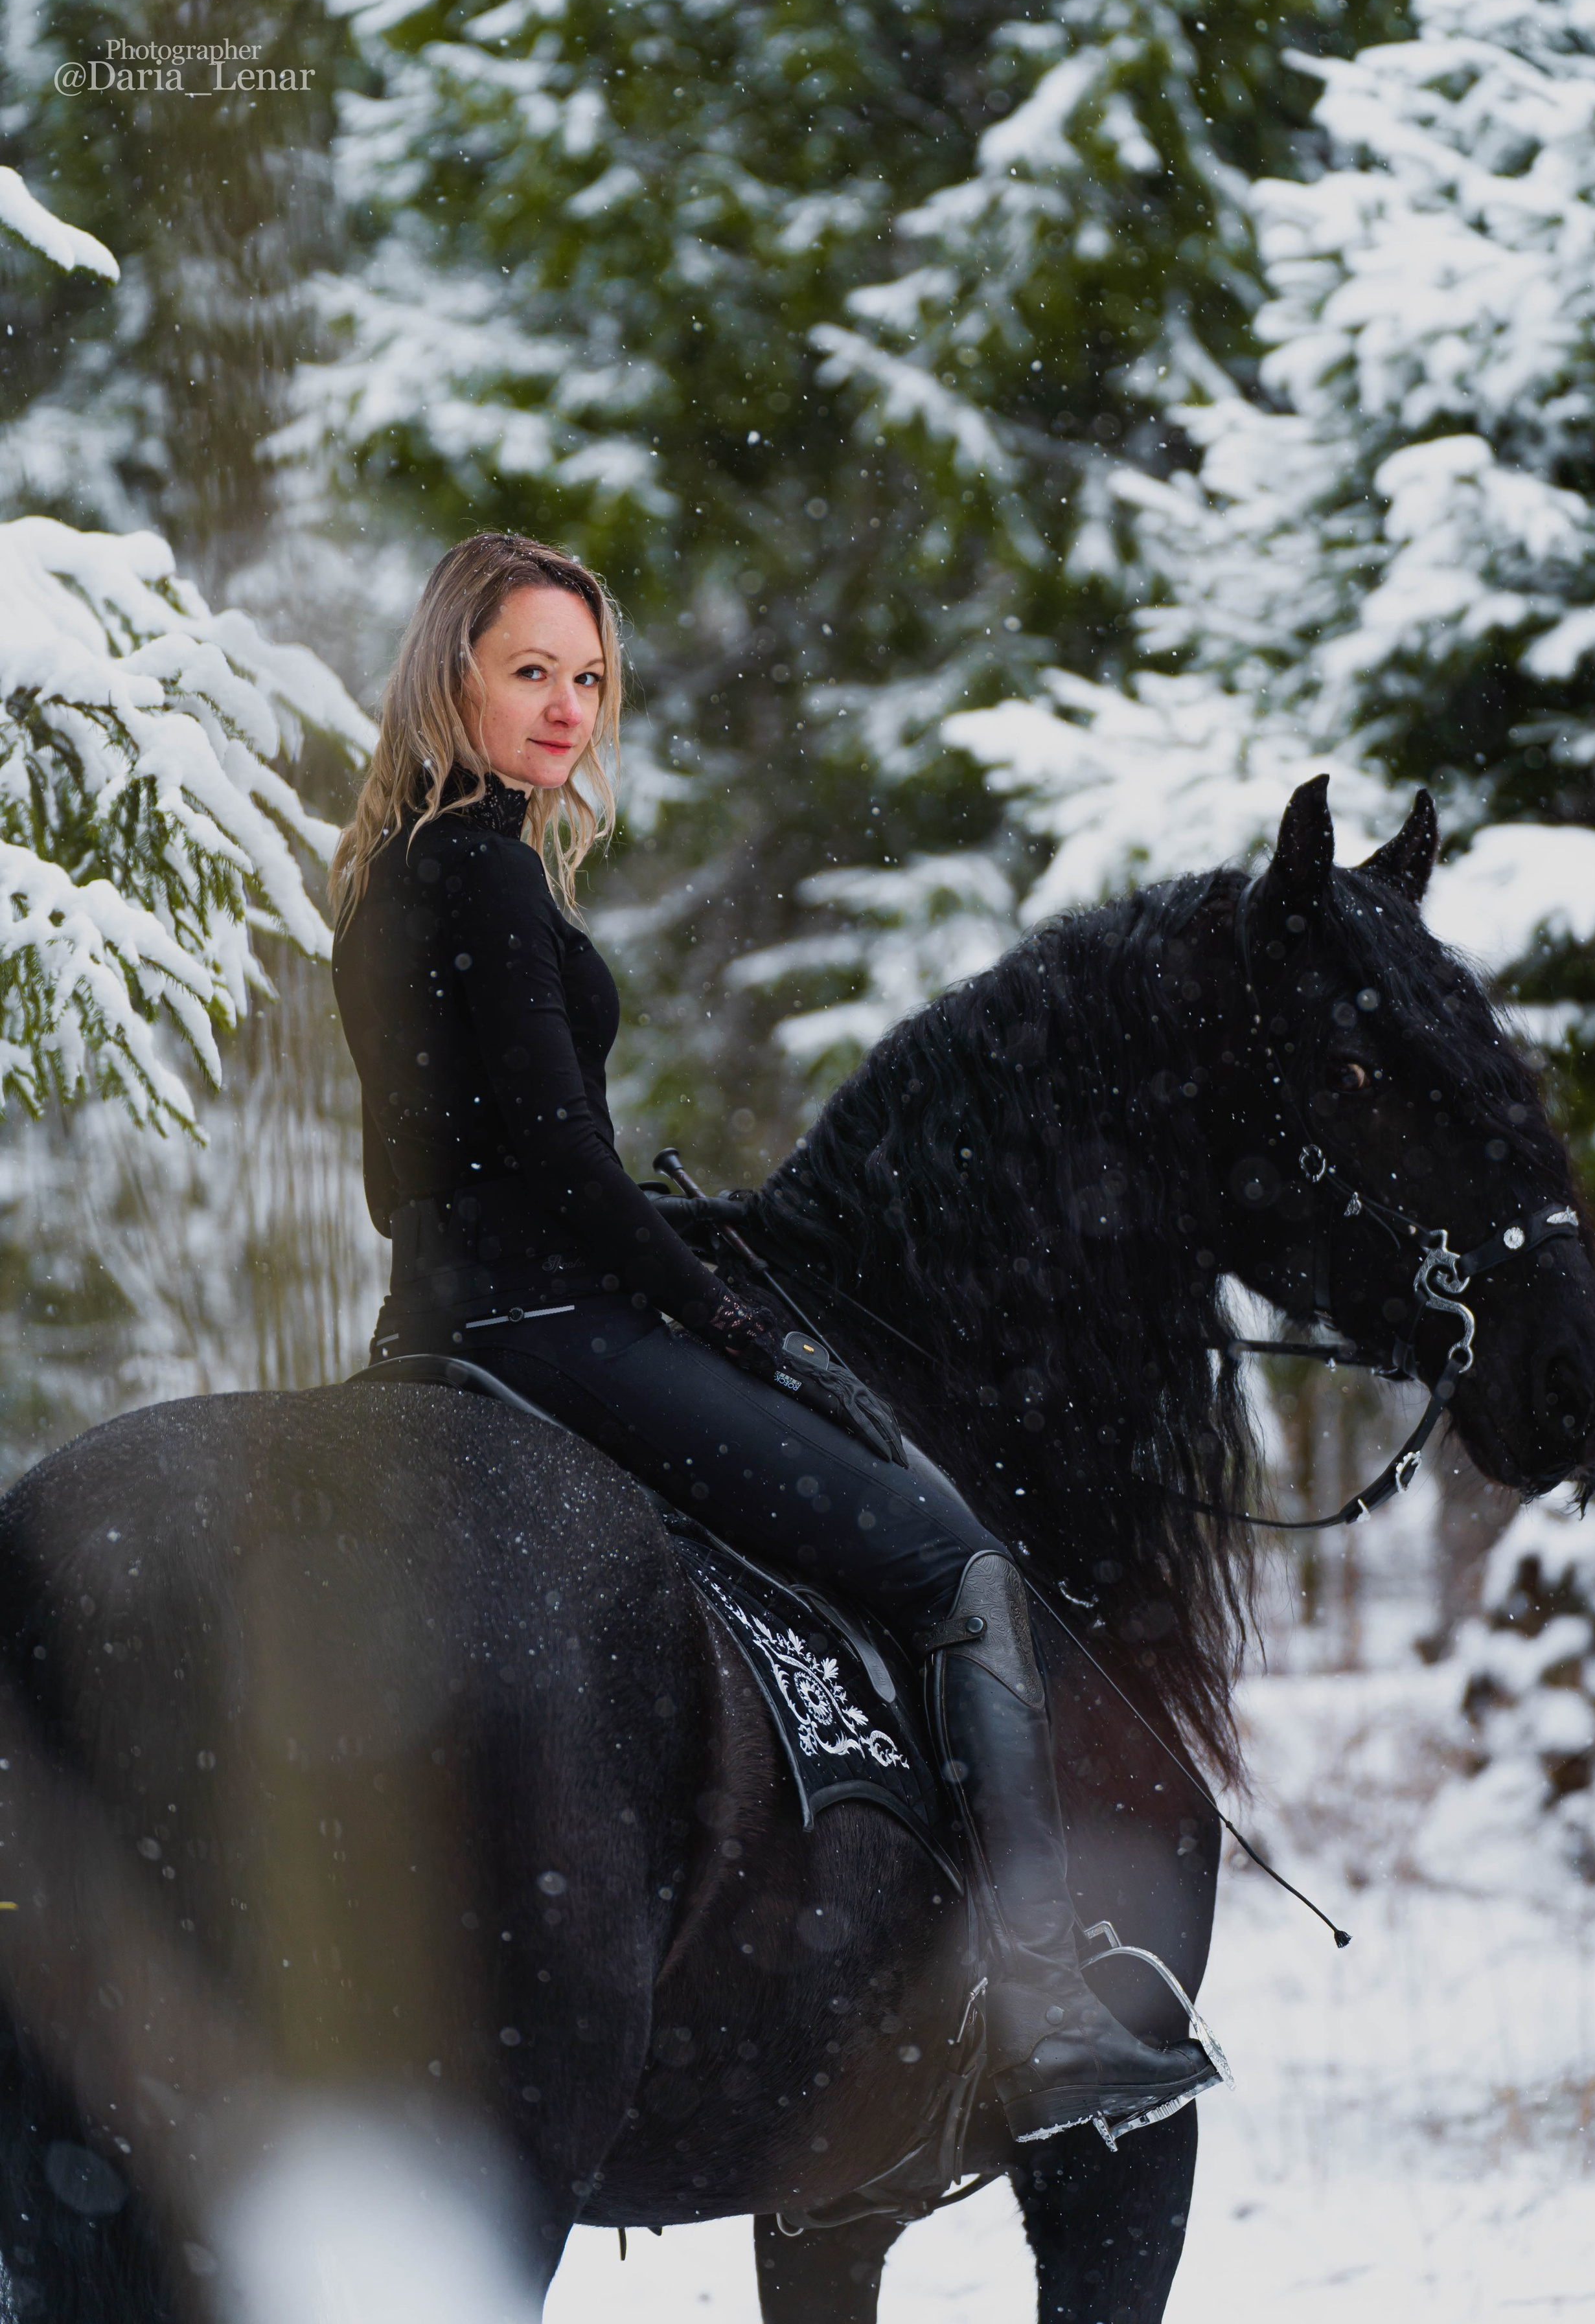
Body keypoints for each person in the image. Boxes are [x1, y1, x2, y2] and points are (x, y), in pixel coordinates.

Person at [330, 530, 1216, 2146]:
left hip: (439, 1325)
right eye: (529, 670)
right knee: (949, 1563)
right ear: (450, 671)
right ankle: (1046, 2001)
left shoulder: (393, 864)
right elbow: (548, 1157)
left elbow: (418, 1176)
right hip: (548, 1329)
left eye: (588, 680)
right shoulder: (477, 865)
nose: (565, 708)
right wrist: (706, 1300)